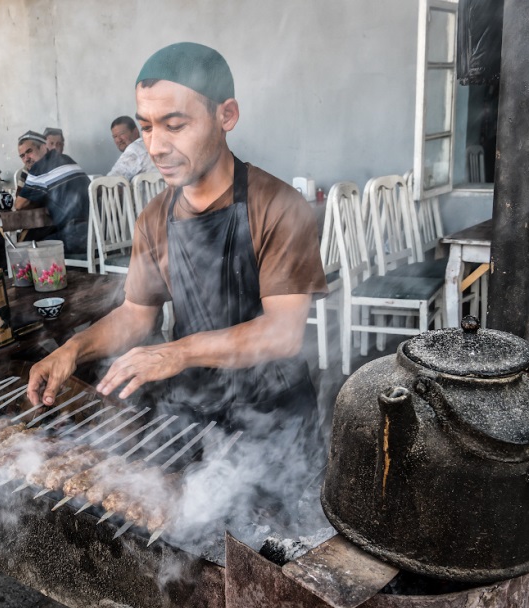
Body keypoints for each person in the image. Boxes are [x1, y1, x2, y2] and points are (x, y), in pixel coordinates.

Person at [26, 43, 327, 510]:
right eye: (146, 127)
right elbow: (136, 315)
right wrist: (73, 349)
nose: (156, 146)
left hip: (274, 419)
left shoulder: (278, 206)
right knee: (184, 535)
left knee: (274, 541)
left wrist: (177, 352)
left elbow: (283, 333)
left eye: (175, 125)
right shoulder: (154, 217)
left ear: (226, 115)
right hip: (189, 416)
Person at [14, 130, 90, 254]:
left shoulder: (39, 169)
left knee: (29, 249)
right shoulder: (67, 159)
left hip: (75, 237)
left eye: (29, 151)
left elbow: (19, 205)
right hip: (97, 231)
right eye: (22, 156)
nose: (26, 158)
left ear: (43, 147)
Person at [107, 115, 155, 181]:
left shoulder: (134, 150)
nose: (118, 140)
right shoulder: (151, 145)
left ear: (135, 132)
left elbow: (110, 182)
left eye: (121, 134)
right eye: (115, 136)